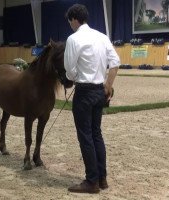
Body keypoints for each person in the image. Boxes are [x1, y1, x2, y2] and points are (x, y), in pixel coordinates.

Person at [64, 4, 120, 194]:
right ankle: (102, 178)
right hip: (99, 91)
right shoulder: (102, 36)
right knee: (96, 134)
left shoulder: (73, 39)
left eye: (69, 21)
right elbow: (115, 63)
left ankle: (91, 181)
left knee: (85, 136)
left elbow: (70, 72)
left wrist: (76, 75)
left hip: (84, 93)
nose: (70, 24)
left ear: (73, 19)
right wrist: (108, 85)